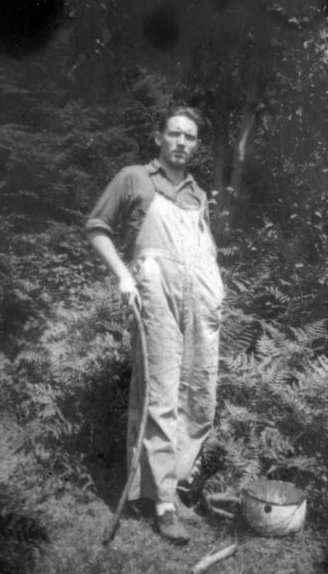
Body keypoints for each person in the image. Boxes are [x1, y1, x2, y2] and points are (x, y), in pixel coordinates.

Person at [86, 106, 224, 543]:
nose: (182, 142)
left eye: (190, 137)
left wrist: (214, 288)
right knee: (161, 392)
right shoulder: (134, 178)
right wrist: (124, 275)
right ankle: (162, 501)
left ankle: (172, 484)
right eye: (175, 134)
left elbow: (204, 249)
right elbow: (96, 228)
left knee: (200, 391)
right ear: (159, 137)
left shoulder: (198, 194)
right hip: (156, 292)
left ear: (197, 145)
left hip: (200, 296)